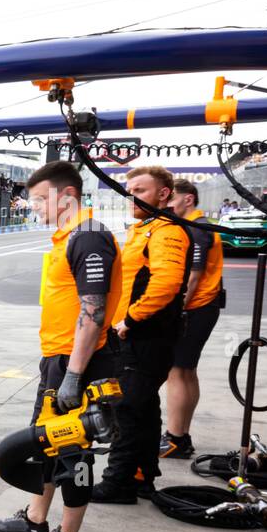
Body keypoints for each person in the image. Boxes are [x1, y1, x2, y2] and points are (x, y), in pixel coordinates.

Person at [0, 160, 123, 532]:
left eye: (39, 200)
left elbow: (93, 311)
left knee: (74, 453)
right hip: (58, 362)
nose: (35, 208)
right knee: (45, 442)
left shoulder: (88, 237)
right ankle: (35, 518)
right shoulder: (68, 238)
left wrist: (75, 376)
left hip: (79, 365)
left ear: (66, 196)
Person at [92, 165, 191, 503]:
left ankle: (119, 482)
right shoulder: (147, 228)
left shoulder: (167, 231)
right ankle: (141, 476)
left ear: (164, 194)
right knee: (144, 408)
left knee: (127, 409)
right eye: (129, 189)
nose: (131, 196)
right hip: (141, 336)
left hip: (145, 337)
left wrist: (129, 321)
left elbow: (166, 283)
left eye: (141, 190)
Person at [161, 179, 223, 458]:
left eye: (172, 198)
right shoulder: (199, 225)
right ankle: (181, 435)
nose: (168, 204)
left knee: (176, 372)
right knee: (186, 372)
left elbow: (194, 276)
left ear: (189, 199)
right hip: (203, 307)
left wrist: (178, 309)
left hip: (195, 307)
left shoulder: (196, 229)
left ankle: (174, 437)